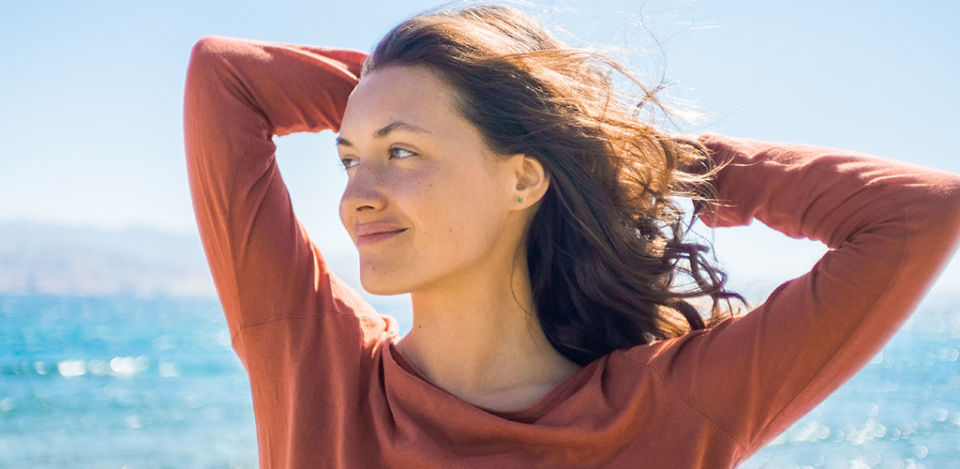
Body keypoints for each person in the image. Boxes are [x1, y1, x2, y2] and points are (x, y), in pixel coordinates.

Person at [181, 3, 960, 468]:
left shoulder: (674, 404)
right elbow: (224, 77)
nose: (357, 196)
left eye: (402, 152)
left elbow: (916, 212)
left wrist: (630, 155)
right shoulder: (315, 366)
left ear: (524, 177)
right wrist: (422, 101)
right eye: (350, 156)